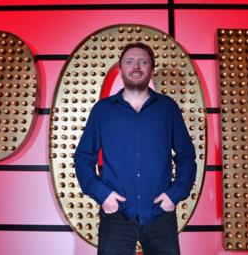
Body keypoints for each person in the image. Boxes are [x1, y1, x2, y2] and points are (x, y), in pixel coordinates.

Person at [74, 42, 196, 255]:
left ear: (152, 70)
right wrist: (102, 195)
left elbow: (187, 156)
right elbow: (83, 157)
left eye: (143, 61)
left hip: (160, 215)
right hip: (117, 215)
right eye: (129, 62)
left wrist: (174, 195)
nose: (136, 66)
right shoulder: (102, 111)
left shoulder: (168, 108)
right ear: (120, 70)